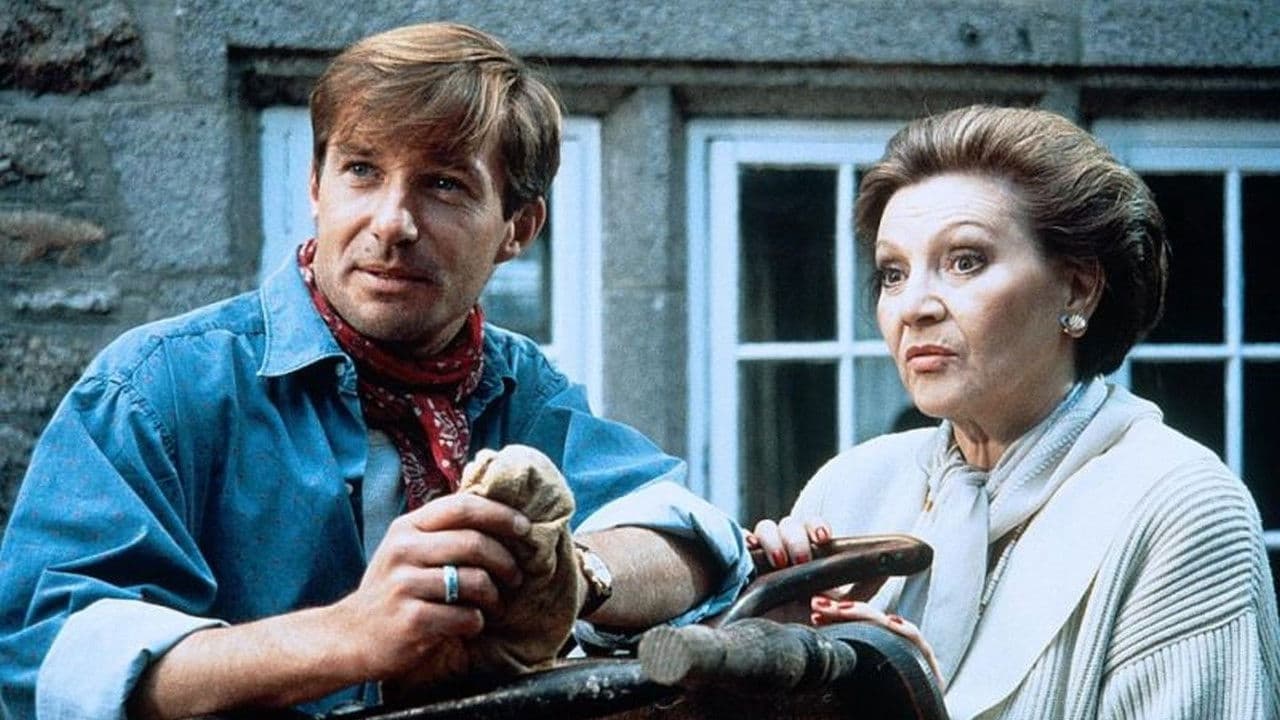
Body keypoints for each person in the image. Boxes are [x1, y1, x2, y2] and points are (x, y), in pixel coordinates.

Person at [0, 22, 751, 720]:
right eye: (362, 170)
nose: (392, 223)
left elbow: (695, 540)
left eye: (444, 184)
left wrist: (575, 577)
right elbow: (49, 661)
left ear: (518, 228)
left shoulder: (520, 388)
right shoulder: (158, 387)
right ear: (316, 187)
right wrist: (351, 634)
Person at [750, 105, 1280, 719]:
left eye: (965, 261)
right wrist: (768, 680)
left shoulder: (1181, 507)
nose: (914, 306)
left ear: (1079, 287)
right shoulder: (850, 487)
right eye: (893, 273)